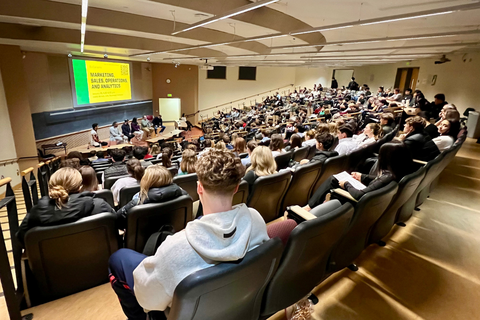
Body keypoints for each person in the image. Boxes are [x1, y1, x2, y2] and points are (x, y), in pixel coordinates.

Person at [108, 150, 268, 320]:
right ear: (236, 188)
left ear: (199, 187)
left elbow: (147, 301)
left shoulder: (174, 248)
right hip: (240, 305)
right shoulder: (256, 220)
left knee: (118, 259)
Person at [16, 167, 115, 246]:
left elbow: (23, 241)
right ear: (80, 187)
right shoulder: (99, 205)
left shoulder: (34, 214)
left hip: (51, 269)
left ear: (51, 187)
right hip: (99, 262)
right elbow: (115, 226)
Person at [305, 141, 414, 210]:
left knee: (334, 179)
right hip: (375, 201)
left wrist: (346, 184)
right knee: (335, 178)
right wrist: (362, 176)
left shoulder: (387, 177)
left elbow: (359, 195)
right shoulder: (401, 171)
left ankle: (309, 207)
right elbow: (378, 180)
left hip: (362, 203)